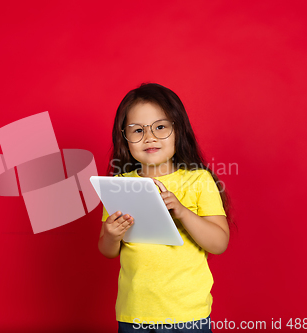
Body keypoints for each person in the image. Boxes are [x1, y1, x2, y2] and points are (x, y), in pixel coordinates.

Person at [98, 83, 233, 333]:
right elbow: (107, 250)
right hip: (134, 313)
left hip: (187, 314)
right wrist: (112, 234)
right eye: (137, 130)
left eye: (160, 127)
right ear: (124, 138)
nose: (149, 137)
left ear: (178, 131)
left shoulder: (198, 180)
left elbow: (219, 243)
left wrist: (182, 211)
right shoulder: (119, 186)